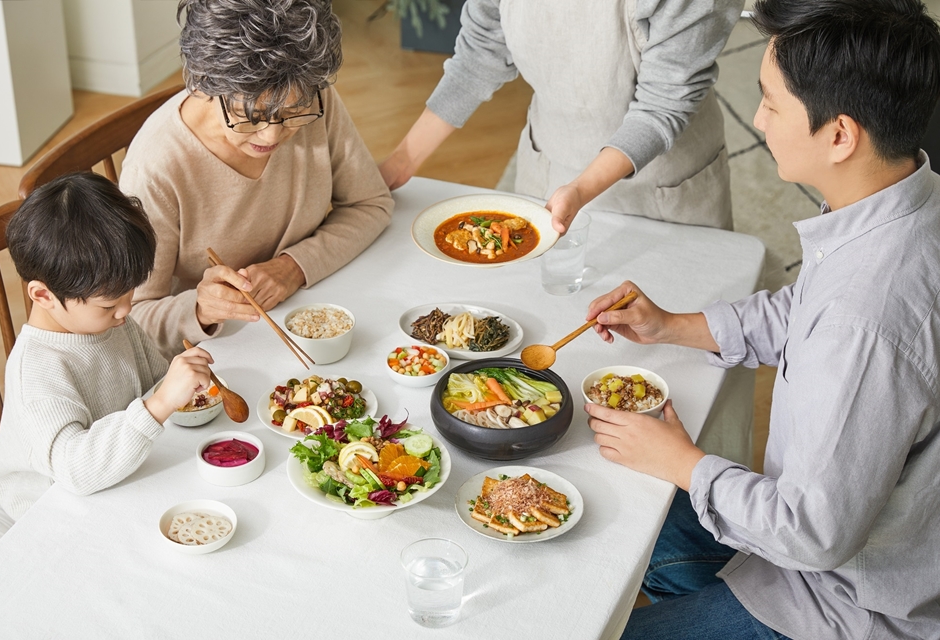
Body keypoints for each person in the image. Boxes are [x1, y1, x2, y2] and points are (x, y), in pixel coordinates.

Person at [584, 1, 940, 638]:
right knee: (611, 507)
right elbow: (803, 311)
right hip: (819, 553)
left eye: (771, 103)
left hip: (840, 605)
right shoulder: (905, 200)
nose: (756, 119)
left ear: (839, 135)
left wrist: (685, 463)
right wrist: (672, 325)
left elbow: (811, 533)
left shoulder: (868, 316)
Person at [120, 0, 394, 357]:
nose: (271, 136)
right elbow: (133, 317)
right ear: (206, 83)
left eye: (292, 113)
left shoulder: (306, 92)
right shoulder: (156, 169)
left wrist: (293, 267)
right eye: (250, 116)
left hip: (313, 308)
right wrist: (201, 309)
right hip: (219, 351)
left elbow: (370, 203)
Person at [380, 0, 743, 233]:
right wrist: (401, 161)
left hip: (660, 182)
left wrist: (581, 188)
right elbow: (477, 57)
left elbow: (662, 105)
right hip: (549, 160)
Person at [0, 172, 215, 522]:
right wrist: (159, 403)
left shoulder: (112, 321)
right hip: (52, 509)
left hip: (117, 475)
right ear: (42, 295)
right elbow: (75, 470)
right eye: (109, 305)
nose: (126, 310)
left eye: (130, 294)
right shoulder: (37, 369)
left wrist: (178, 384)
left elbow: (154, 383)